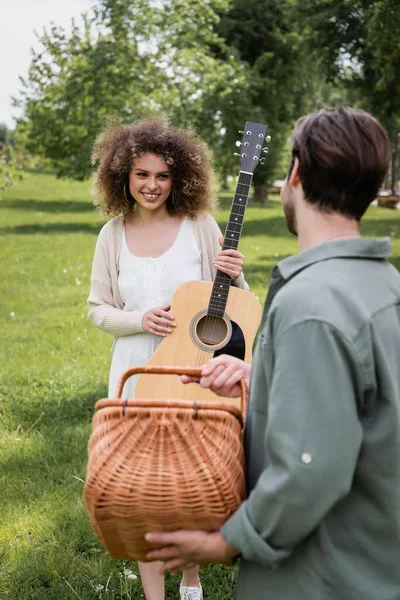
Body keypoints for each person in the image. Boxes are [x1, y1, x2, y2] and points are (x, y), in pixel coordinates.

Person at [145, 107, 400, 600]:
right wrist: (260, 373)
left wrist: (228, 541)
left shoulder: (311, 305)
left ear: (296, 173)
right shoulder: (386, 285)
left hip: (321, 576)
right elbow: (363, 396)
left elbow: (312, 467)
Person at [87, 116, 248, 600]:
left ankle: (192, 582)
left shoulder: (199, 226)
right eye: (141, 175)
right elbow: (97, 310)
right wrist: (139, 319)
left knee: (190, 480)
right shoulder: (111, 235)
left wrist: (237, 275)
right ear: (123, 176)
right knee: (141, 488)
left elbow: (235, 305)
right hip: (134, 370)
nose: (152, 185)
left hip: (192, 370)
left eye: (162, 175)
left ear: (179, 177)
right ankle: (155, 595)